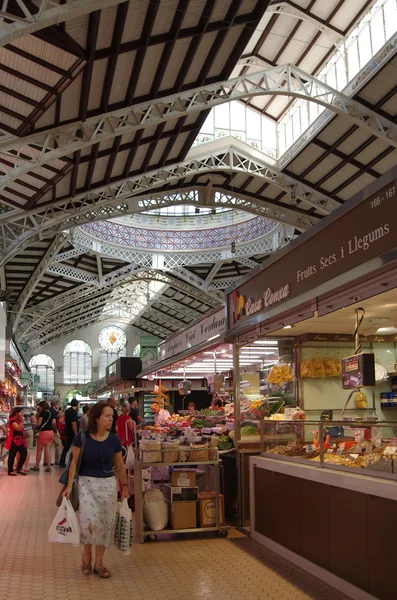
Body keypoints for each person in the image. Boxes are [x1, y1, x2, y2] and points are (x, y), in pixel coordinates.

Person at [63, 402, 129, 578]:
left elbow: (120, 465)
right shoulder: (82, 437)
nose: (111, 419)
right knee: (88, 523)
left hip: (108, 485)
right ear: (97, 418)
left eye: (112, 416)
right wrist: (69, 485)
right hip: (86, 483)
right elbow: (74, 463)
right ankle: (87, 555)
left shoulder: (114, 440)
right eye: (107, 416)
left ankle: (99, 563)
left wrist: (125, 487)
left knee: (106, 524)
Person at [32, 400, 56, 472]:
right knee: (48, 450)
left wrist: (36, 419)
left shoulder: (42, 413)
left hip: (44, 433)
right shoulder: (51, 413)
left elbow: (39, 423)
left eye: (39, 407)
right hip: (51, 432)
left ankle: (36, 466)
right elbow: (53, 422)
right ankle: (48, 467)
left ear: (42, 407)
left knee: (39, 450)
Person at [15, 395, 36, 472]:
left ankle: (18, 466)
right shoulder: (29, 409)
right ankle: (25, 467)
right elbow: (33, 420)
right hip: (29, 430)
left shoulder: (14, 409)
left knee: (18, 449)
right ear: (24, 400)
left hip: (19, 430)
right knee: (28, 449)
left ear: (16, 400)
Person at [6, 407, 28, 476]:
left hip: (21, 440)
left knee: (24, 453)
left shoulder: (18, 420)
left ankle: (19, 468)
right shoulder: (12, 420)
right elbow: (17, 428)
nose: (22, 414)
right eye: (21, 412)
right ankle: (10, 470)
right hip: (14, 440)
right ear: (16, 413)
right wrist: (22, 421)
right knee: (12, 455)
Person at [59, 398, 79, 467]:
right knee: (75, 447)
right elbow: (74, 423)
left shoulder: (67, 411)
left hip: (67, 431)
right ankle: (72, 462)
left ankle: (62, 461)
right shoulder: (74, 412)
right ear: (77, 404)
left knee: (66, 448)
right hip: (72, 433)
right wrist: (76, 433)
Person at [49, 400, 62, 466]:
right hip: (53, 430)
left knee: (48, 446)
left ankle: (46, 461)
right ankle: (57, 460)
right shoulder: (54, 412)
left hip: (47, 430)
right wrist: (55, 429)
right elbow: (54, 422)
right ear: (55, 405)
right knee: (58, 444)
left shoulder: (48, 410)